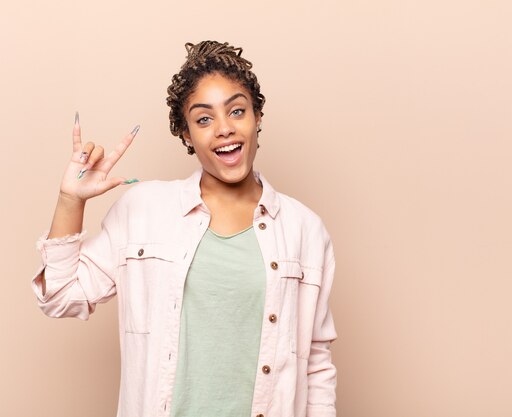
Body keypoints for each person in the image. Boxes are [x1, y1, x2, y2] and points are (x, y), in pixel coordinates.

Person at [31, 40, 338, 417]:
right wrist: (70, 200)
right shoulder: (142, 210)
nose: (224, 129)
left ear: (258, 118)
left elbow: (316, 362)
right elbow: (61, 296)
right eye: (204, 119)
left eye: (237, 111)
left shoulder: (304, 230)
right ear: (187, 135)